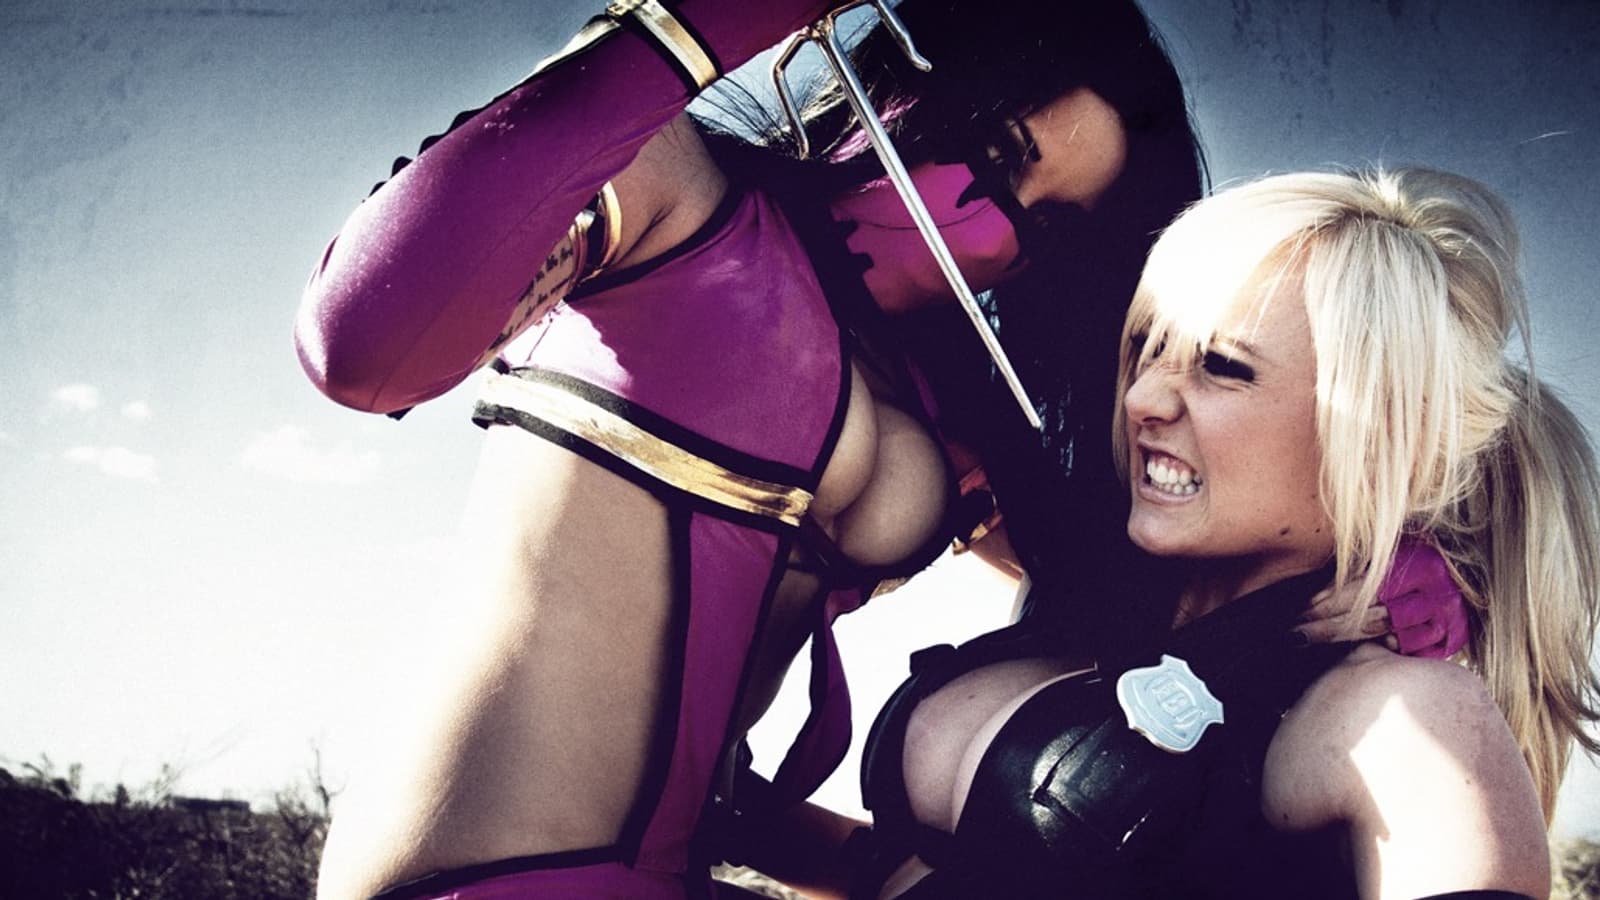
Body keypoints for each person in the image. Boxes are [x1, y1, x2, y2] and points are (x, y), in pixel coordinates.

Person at [294, 1, 1457, 897]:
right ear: (905, 86)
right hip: (478, 876)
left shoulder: (954, 418)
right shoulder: (671, 203)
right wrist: (694, 29)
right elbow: (361, 347)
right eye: (995, 152)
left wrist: (1354, 568)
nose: (992, 234)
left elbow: (1148, 593)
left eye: (1049, 224)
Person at [840, 167, 1600, 899]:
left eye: (1222, 366)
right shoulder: (1092, 583)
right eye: (1147, 347)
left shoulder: (1402, 713)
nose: (1141, 397)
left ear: (1382, 439)